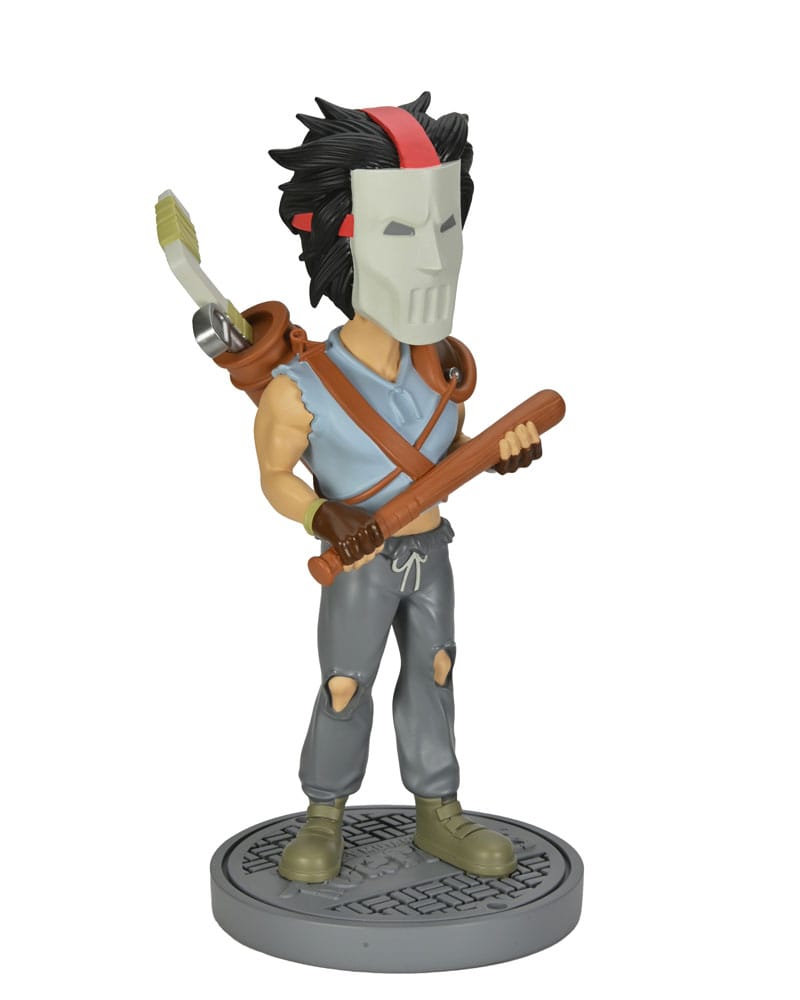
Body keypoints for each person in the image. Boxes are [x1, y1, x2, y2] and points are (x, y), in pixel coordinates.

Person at [255, 94, 541, 883]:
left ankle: (438, 809)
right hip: (360, 561)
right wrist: (322, 513)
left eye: (444, 226)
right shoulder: (301, 388)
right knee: (345, 684)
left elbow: (452, 453)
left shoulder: (443, 364)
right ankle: (324, 814)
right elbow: (275, 477)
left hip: (430, 553)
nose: (432, 258)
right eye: (402, 231)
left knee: (437, 669)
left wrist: (498, 455)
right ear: (341, 240)